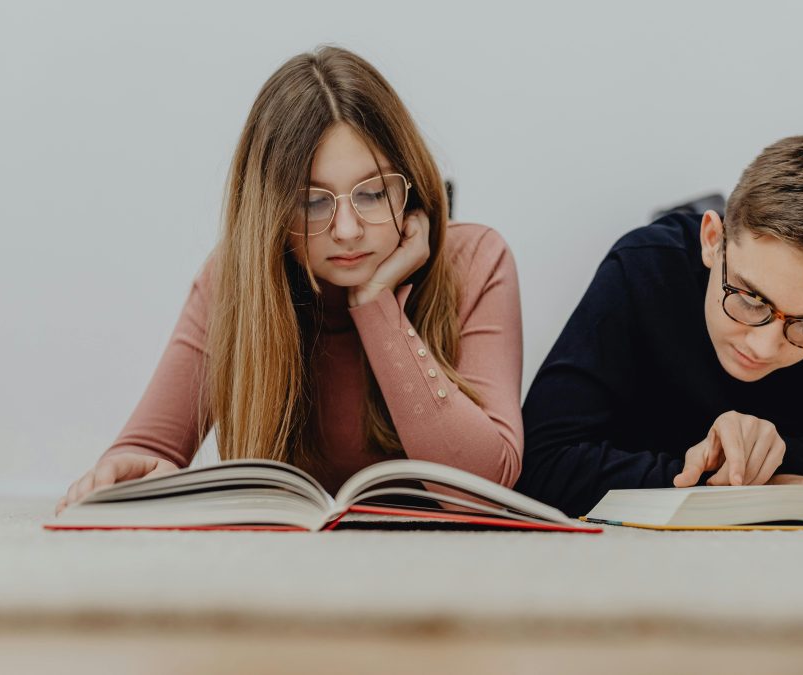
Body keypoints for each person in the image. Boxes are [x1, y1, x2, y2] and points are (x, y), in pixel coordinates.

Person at [57, 46, 523, 514]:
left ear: (412, 184)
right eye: (313, 203)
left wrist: (376, 304)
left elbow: (484, 489)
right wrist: (128, 475)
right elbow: (145, 451)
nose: (346, 230)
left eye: (375, 193)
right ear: (272, 213)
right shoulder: (234, 281)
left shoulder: (475, 261)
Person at [515, 136, 803, 517]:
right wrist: (751, 488)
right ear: (712, 239)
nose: (764, 347)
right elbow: (542, 466)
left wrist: (775, 453)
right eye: (751, 300)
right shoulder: (643, 267)